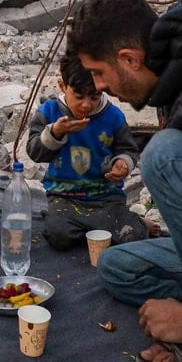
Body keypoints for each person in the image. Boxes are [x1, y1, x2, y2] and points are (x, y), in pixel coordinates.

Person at [68, 0, 182, 362]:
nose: (99, 87)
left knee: (165, 155)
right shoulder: (178, 70)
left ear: (129, 58)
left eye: (98, 73)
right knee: (116, 267)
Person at [26, 54, 149, 251]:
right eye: (78, 95)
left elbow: (129, 149)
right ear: (62, 85)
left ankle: (128, 224)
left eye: (94, 97)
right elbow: (34, 152)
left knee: (133, 235)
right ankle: (95, 231)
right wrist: (55, 133)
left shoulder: (113, 116)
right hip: (64, 196)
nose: (86, 104)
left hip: (106, 197)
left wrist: (123, 164)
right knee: (58, 235)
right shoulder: (49, 112)